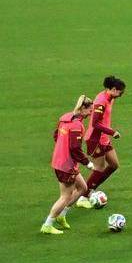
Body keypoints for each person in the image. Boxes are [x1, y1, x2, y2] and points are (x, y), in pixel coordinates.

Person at [43, 95, 92, 235]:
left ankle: (61, 215)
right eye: (89, 110)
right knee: (65, 196)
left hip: (60, 160)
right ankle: (48, 224)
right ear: (83, 108)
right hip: (66, 164)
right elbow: (75, 148)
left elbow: (55, 136)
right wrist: (87, 162)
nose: (90, 113)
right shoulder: (77, 125)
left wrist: (61, 149)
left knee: (83, 187)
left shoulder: (65, 118)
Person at [80, 75, 126, 206]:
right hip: (95, 139)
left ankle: (91, 188)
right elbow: (95, 123)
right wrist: (112, 132)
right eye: (120, 91)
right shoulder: (101, 101)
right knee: (99, 167)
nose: (121, 94)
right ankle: (83, 197)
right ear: (113, 89)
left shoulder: (110, 97)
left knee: (114, 165)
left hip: (104, 139)